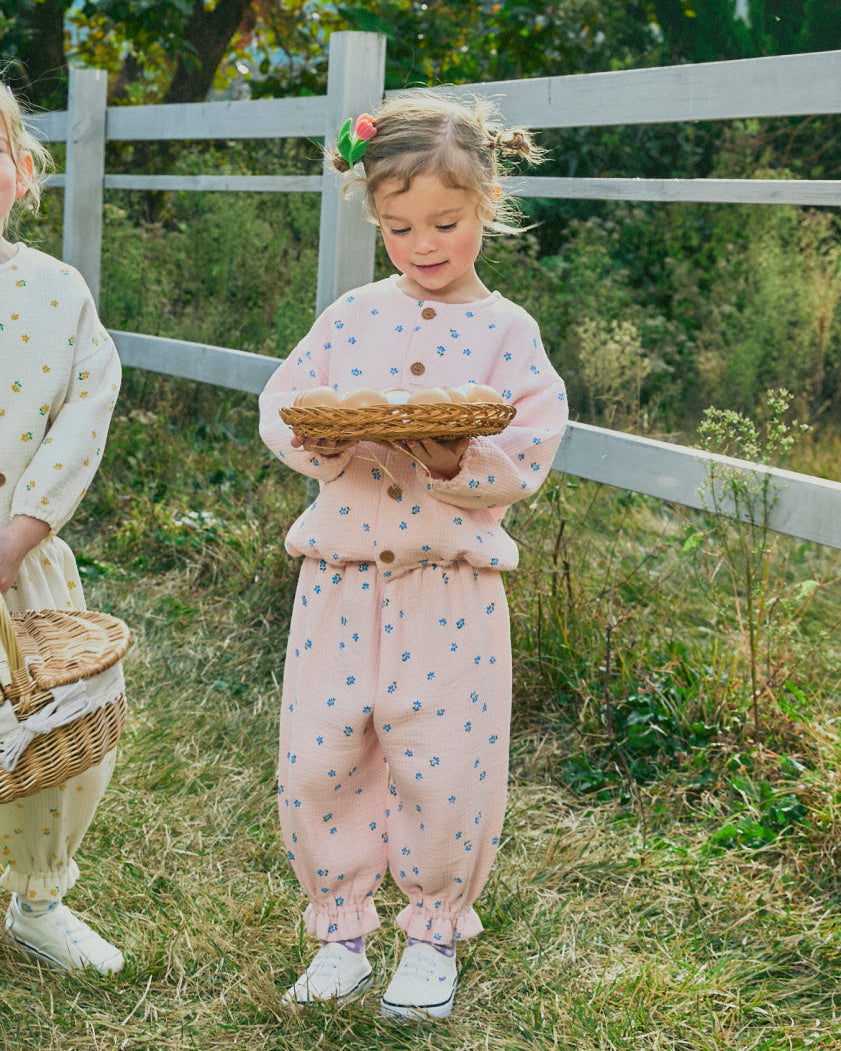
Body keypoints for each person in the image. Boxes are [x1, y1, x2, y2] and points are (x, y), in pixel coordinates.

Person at [258, 91, 568, 1020]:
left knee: (443, 760)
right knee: (319, 757)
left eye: (446, 221)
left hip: (450, 589)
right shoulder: (351, 314)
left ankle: (431, 933)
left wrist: (456, 461)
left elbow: (531, 449)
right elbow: (284, 406)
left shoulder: (507, 332)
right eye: (399, 227)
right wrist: (319, 440)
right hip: (338, 581)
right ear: (376, 219)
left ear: (486, 206)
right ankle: (340, 931)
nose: (423, 244)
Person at [0, 83, 123, 974]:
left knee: (54, 738)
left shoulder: (53, 290)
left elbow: (85, 408)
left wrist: (18, 532)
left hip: (20, 563)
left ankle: (39, 897)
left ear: (24, 171)